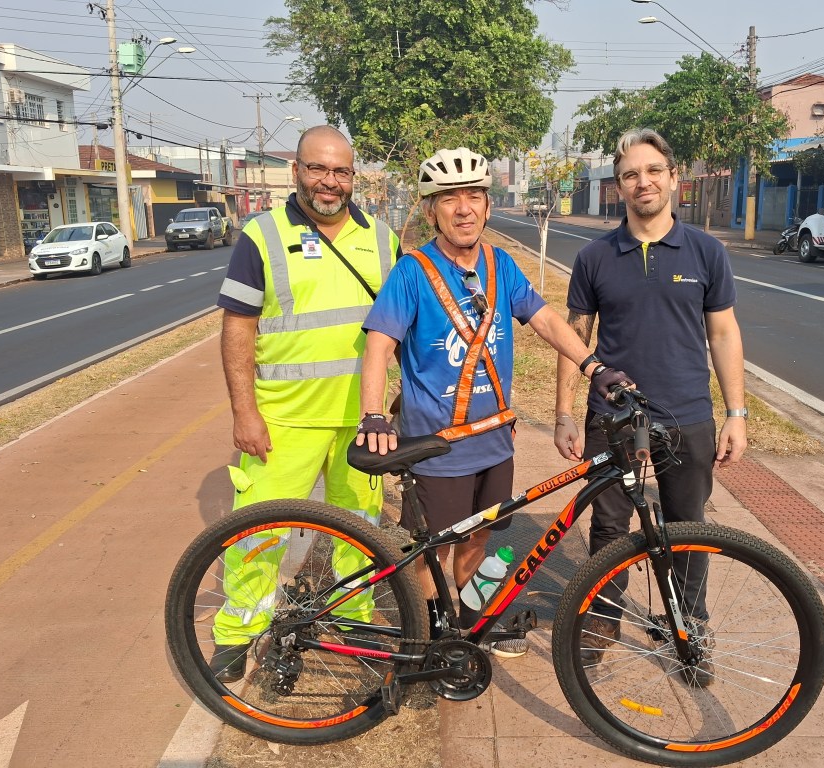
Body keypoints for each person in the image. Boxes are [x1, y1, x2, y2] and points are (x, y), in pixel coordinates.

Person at [357, 147, 629, 658]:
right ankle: (427, 639)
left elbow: (545, 319)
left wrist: (592, 366)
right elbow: (379, 344)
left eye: (475, 196)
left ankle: (470, 623)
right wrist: (373, 413)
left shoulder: (500, 264)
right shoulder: (412, 272)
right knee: (429, 554)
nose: (464, 208)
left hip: (495, 444)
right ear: (432, 208)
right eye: (450, 198)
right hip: (437, 447)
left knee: (479, 542)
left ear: (487, 204)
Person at [554, 128, 748, 683]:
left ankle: (689, 624)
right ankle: (603, 621)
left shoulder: (707, 251)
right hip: (612, 419)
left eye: (653, 171)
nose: (644, 182)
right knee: (610, 526)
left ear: (673, 178)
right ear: (619, 186)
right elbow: (576, 337)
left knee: (689, 524)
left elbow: (725, 335)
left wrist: (736, 414)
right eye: (631, 174)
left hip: (687, 416)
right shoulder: (595, 257)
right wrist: (567, 413)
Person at [210, 125, 402, 682]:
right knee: (257, 531)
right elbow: (238, 328)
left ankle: (353, 626)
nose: (330, 181)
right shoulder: (262, 236)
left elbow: (399, 322)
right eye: (318, 168)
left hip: (358, 420)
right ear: (296, 170)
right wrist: (244, 412)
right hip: (283, 419)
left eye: (341, 171)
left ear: (353, 176)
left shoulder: (383, 239)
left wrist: (398, 393)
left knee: (359, 531)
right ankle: (237, 631)